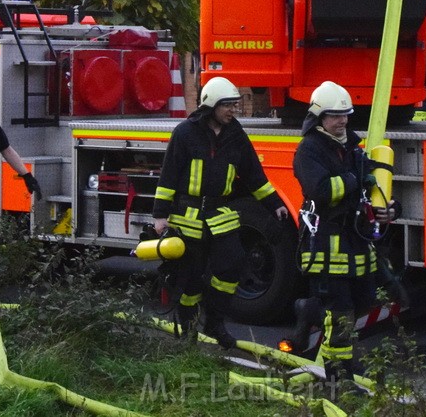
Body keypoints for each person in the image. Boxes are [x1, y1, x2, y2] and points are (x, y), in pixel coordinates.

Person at [152, 77, 288, 349]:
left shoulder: (235, 135)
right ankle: (187, 335)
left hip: (220, 212)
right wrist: (160, 215)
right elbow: (169, 174)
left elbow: (254, 175)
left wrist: (275, 203)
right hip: (187, 215)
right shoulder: (185, 133)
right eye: (228, 106)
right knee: (189, 278)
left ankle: (215, 323)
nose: (233, 111)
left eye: (235, 105)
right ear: (211, 105)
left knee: (232, 266)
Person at [292, 81, 396, 385]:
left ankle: (308, 310)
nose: (343, 121)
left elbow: (371, 189)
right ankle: (338, 375)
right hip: (326, 241)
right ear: (319, 116)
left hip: (356, 239)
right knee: (341, 312)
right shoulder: (309, 150)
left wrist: (390, 209)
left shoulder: (352, 146)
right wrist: (353, 179)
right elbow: (321, 191)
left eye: (347, 114)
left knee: (364, 301)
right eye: (336, 115)